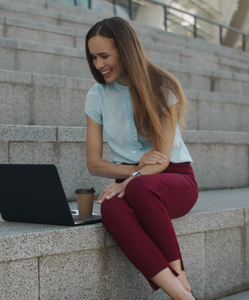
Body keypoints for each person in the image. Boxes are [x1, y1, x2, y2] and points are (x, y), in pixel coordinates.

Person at [84, 17, 199, 300]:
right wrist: (135, 171)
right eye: (93, 57)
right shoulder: (96, 95)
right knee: (110, 209)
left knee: (139, 187)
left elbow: (160, 160)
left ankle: (179, 273)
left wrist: (132, 179)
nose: (98, 64)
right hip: (134, 183)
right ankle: (182, 294)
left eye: (104, 56)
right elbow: (94, 164)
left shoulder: (162, 86)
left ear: (125, 50)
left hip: (175, 180)